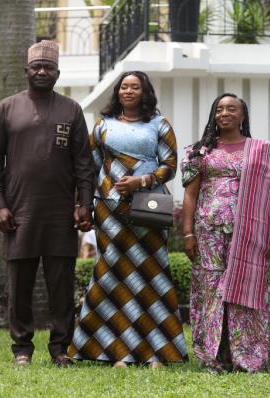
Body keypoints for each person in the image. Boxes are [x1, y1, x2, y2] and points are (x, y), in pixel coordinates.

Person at [68, 71, 188, 368]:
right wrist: (83, 204)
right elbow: (90, 167)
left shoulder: (159, 125)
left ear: (145, 92)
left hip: (147, 208)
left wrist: (142, 181)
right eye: (124, 87)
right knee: (113, 275)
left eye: (135, 87)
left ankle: (157, 353)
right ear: (117, 92)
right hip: (109, 211)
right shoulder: (101, 126)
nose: (129, 91)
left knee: (150, 274)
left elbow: (170, 165)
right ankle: (116, 352)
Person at [0, 40, 94, 367]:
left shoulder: (71, 110)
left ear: (58, 73)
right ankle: (22, 349)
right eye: (37, 67)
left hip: (61, 214)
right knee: (20, 286)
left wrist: (85, 204)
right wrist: (0, 206)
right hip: (18, 214)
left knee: (61, 286)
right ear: (27, 71)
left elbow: (83, 164)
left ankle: (60, 347)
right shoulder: (6, 109)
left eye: (48, 67)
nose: (42, 71)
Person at [181, 93, 270, 373]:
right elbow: (190, 194)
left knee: (249, 288)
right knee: (211, 290)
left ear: (242, 115)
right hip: (209, 230)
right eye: (219, 109)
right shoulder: (199, 151)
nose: (224, 113)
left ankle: (251, 357)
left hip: (250, 231)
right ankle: (214, 357)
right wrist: (187, 233)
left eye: (231, 109)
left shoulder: (261, 150)